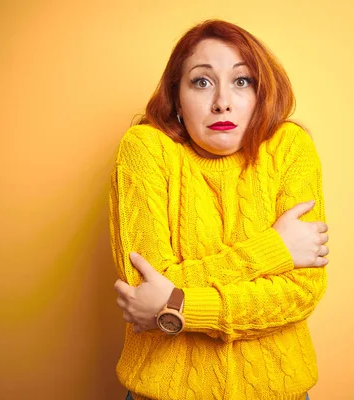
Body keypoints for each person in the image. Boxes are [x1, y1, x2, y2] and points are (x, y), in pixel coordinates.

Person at [109, 19, 329, 400]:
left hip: (277, 391)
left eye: (242, 81)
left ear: (261, 94)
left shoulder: (290, 148)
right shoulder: (144, 149)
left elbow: (301, 290)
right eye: (202, 81)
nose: (222, 101)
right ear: (176, 98)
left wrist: (176, 307)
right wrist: (275, 249)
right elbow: (145, 286)